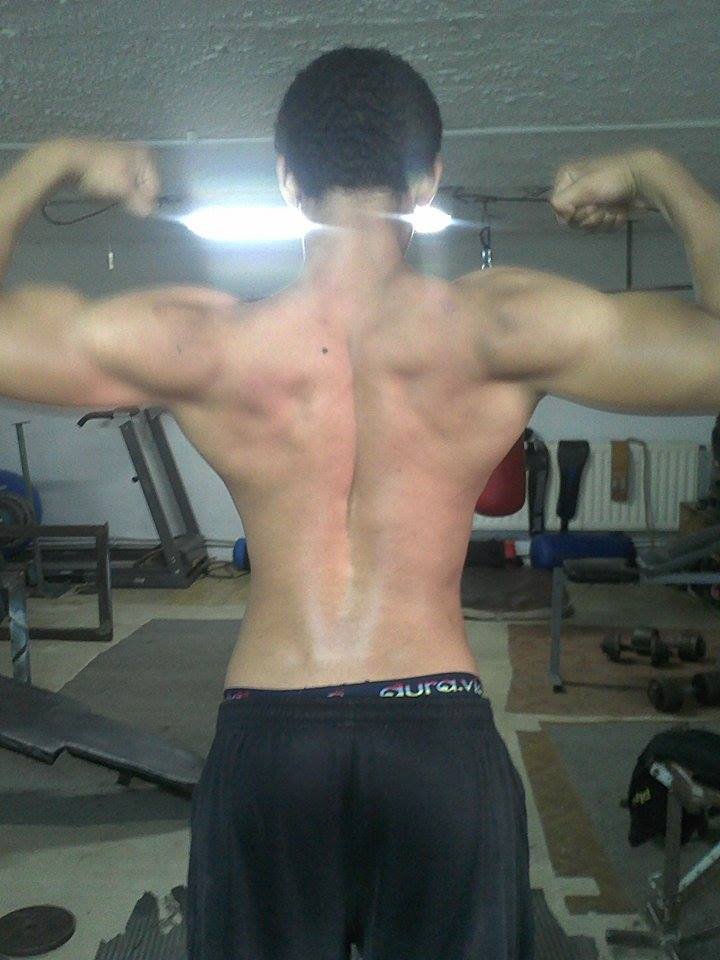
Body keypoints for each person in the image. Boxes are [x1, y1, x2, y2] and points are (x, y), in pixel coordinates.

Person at [0, 45, 718, 960]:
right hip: (438, 742)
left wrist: (49, 163)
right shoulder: (501, 323)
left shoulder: (204, 341)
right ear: (429, 181)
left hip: (269, 740)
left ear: (286, 183)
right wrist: (658, 176)